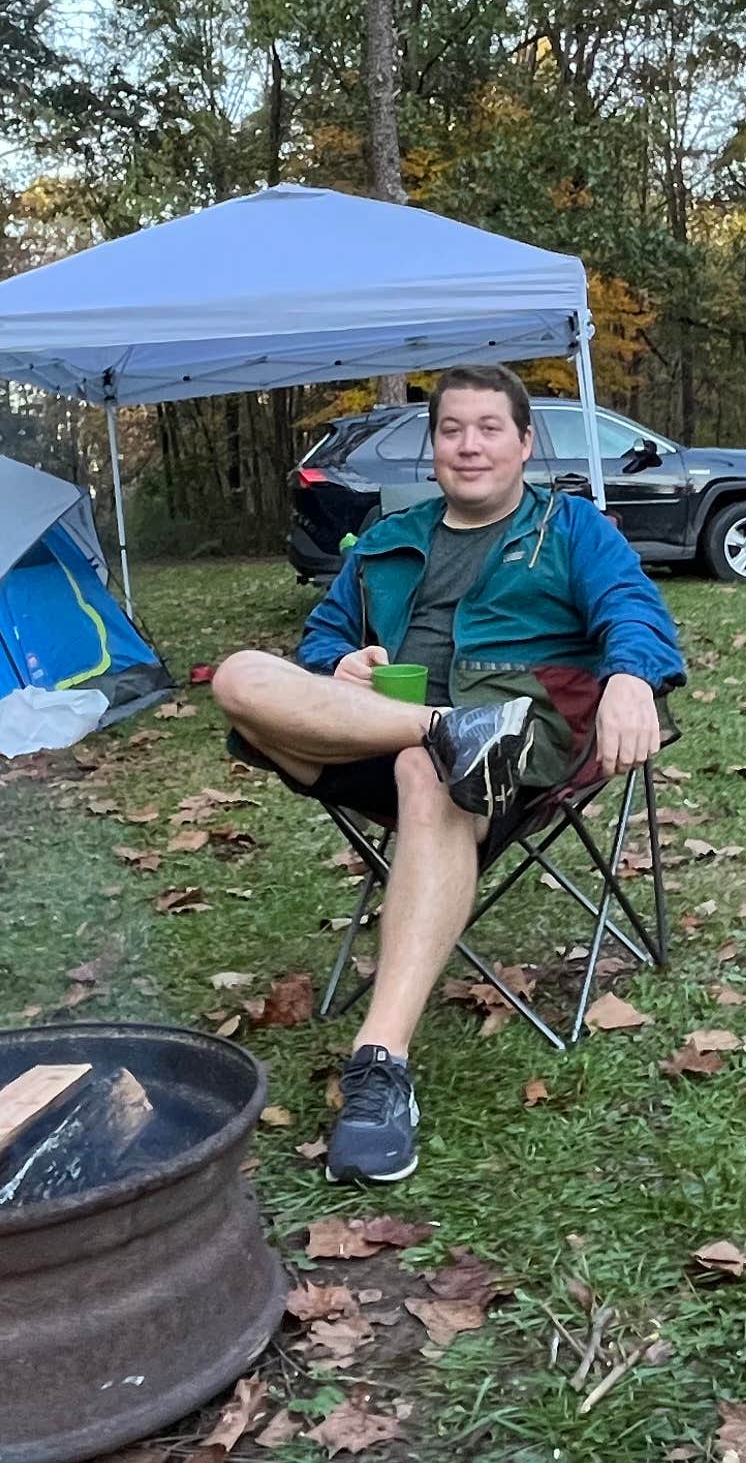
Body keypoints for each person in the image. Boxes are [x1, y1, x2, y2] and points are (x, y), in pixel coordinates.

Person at [209, 364, 683, 1184]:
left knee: (432, 772)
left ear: (525, 443)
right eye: (452, 429)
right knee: (238, 677)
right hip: (387, 733)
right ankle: (446, 728)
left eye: (488, 428)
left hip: (520, 744)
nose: (469, 446)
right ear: (433, 448)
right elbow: (321, 640)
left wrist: (633, 676)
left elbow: (633, 612)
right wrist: (341, 661)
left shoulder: (569, 527)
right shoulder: (390, 538)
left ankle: (381, 1064)